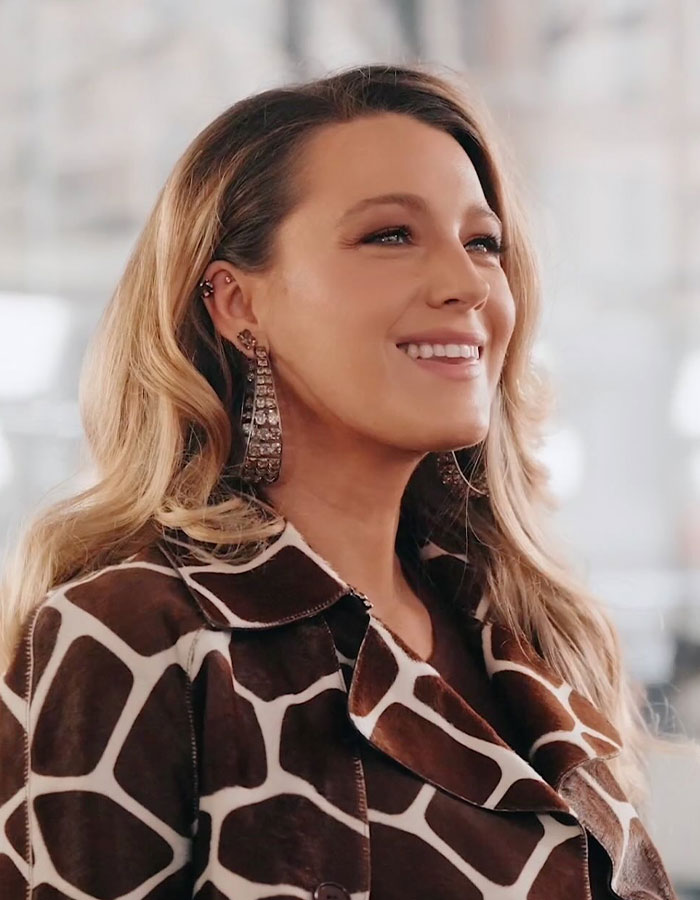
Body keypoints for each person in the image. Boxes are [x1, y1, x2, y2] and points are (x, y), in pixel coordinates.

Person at [0, 63, 676, 899]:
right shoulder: (136, 631)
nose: (466, 283)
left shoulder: (528, 628)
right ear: (236, 302)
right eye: (390, 235)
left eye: (483, 242)